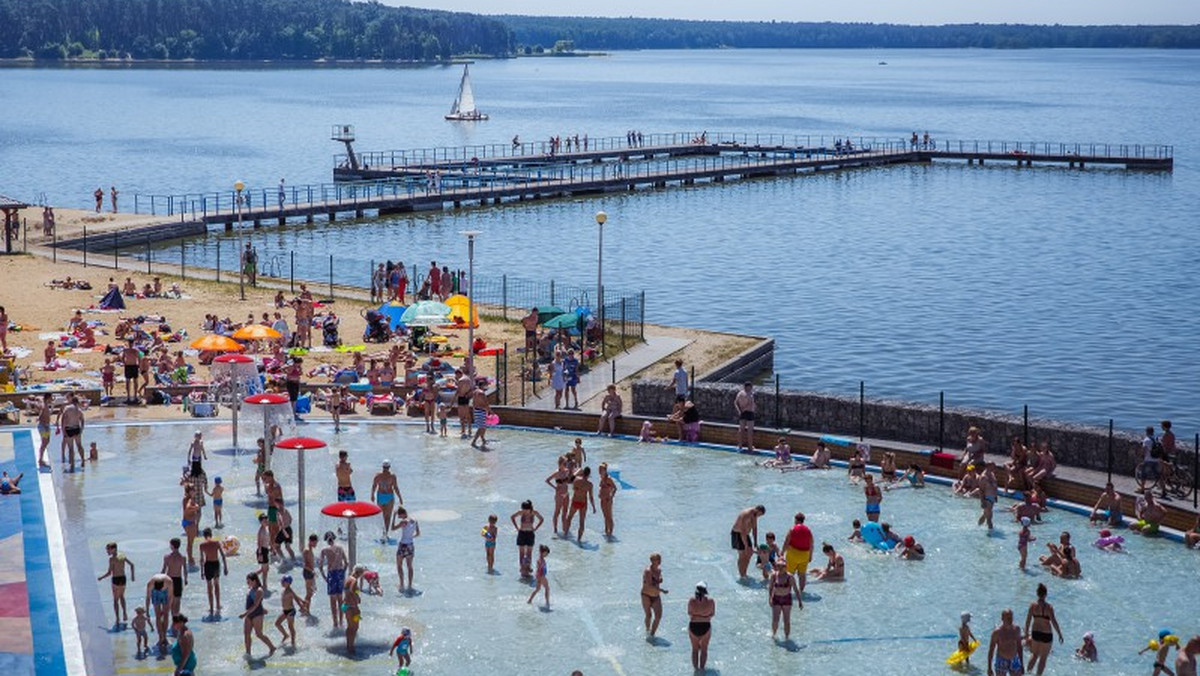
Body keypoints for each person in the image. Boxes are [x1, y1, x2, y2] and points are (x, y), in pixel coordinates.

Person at [1024, 583, 1063, 675]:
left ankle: (1028, 673)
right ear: (1045, 594)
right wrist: (1059, 634)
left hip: (1035, 632)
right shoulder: (1049, 607)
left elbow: (1028, 621)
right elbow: (1054, 622)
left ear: (1037, 593)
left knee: (1034, 654)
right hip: (1046, 634)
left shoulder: (1032, 606)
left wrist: (1026, 632)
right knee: (1043, 657)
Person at [98, 542, 135, 626]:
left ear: (113, 549)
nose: (107, 551)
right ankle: (125, 613)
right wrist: (132, 577)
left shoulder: (112, 559)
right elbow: (132, 565)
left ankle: (117, 618)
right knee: (122, 596)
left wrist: (101, 577)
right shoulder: (122, 556)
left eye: (108, 549)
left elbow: (109, 573)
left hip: (116, 579)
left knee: (115, 600)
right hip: (123, 578)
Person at [240, 572, 276, 657]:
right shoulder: (250, 589)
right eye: (247, 581)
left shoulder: (259, 590)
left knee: (259, 634)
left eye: (249, 581)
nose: (247, 583)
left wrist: (245, 614)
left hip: (257, 615)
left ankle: (272, 647)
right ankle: (248, 653)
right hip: (249, 614)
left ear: (254, 580)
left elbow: (256, 604)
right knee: (246, 634)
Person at [318, 531, 348, 628]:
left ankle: (335, 623)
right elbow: (346, 563)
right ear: (334, 538)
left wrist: (325, 577)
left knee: (332, 601)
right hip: (340, 573)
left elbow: (320, 566)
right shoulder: (340, 548)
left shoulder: (324, 550)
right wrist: (343, 574)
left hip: (331, 574)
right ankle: (341, 622)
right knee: (340, 599)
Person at [768, 559, 801, 641]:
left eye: (782, 566)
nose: (780, 568)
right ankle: (774, 635)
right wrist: (770, 598)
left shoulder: (790, 577)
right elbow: (770, 588)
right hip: (776, 598)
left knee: (786, 620)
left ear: (786, 567)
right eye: (778, 566)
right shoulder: (774, 575)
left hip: (787, 599)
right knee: (775, 620)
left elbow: (796, 590)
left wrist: (800, 601)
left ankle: (787, 638)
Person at [510, 500, 544, 578]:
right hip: (522, 532)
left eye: (525, 509)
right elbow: (512, 517)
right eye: (523, 509)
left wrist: (536, 528)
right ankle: (522, 569)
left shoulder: (534, 512)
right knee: (521, 553)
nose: (524, 511)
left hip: (530, 533)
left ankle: (528, 568)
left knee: (529, 553)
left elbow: (541, 519)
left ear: (529, 508)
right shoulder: (521, 512)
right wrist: (516, 527)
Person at [987, 608, 1025, 676]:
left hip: (1014, 659)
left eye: (1011, 617)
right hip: (1001, 660)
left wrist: (1022, 664)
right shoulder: (997, 632)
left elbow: (1019, 647)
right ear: (1002, 618)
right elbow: (991, 650)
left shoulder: (1016, 629)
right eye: (1008, 618)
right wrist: (989, 668)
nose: (1010, 620)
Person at [198, 528, 227, 617]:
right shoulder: (216, 543)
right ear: (211, 534)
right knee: (217, 585)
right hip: (215, 564)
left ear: (204, 535)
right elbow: (223, 555)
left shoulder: (202, 545)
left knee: (209, 587)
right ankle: (218, 605)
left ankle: (211, 608)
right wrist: (225, 567)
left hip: (208, 565)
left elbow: (202, 559)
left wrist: (202, 572)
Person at [781, 511, 813, 592]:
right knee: (802, 574)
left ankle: (787, 590)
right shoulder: (808, 530)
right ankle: (801, 591)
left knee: (789, 573)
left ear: (796, 520)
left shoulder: (792, 529)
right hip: (805, 554)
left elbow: (786, 541)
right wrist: (810, 556)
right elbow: (811, 544)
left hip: (793, 554)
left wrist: (782, 552)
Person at [687, 582, 715, 672]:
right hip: (705, 626)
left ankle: (696, 670)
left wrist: (697, 616)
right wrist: (705, 616)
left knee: (694, 649)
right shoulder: (711, 601)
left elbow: (690, 613)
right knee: (704, 649)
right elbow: (712, 614)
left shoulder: (692, 601)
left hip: (693, 626)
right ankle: (702, 670)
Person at [732, 505, 766, 578]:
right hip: (738, 534)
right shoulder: (746, 514)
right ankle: (742, 575)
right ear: (757, 510)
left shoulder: (754, 515)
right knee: (742, 554)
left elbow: (754, 529)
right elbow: (742, 531)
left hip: (746, 534)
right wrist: (746, 546)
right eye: (759, 515)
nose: (758, 516)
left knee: (749, 553)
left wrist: (755, 542)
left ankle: (745, 572)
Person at [564, 466, 596, 541]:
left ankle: (566, 534)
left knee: (569, 518)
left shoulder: (576, 480)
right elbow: (591, 497)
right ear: (589, 474)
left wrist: (577, 472)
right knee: (582, 521)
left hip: (575, 501)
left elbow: (571, 482)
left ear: (583, 472)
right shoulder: (590, 485)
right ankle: (579, 539)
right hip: (583, 503)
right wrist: (594, 507)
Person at [392, 507, 420, 592]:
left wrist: (393, 516)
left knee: (399, 565)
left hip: (403, 545)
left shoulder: (404, 522)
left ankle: (402, 584)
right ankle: (410, 585)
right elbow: (418, 533)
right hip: (410, 545)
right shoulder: (414, 520)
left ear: (402, 513)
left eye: (399, 516)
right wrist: (411, 537)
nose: (399, 518)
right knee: (410, 566)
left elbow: (392, 528)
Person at [371, 461, 400, 542]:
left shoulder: (378, 476)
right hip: (387, 496)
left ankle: (384, 534)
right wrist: (400, 498)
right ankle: (385, 533)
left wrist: (372, 495)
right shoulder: (391, 476)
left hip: (382, 496)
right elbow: (395, 487)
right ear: (389, 467)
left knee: (384, 516)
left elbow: (374, 486)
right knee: (386, 516)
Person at [145, 572, 175, 651]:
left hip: (166, 592)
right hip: (155, 593)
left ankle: (164, 636)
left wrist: (168, 608)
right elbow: (148, 598)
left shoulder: (169, 581)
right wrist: (147, 611)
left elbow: (171, 596)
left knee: (166, 615)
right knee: (158, 615)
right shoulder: (150, 584)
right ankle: (160, 637)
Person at [274, 575, 306, 648]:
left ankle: (293, 643)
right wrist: (303, 601)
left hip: (291, 611)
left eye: (284, 581)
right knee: (277, 623)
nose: (282, 582)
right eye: (282, 581)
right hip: (285, 611)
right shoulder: (285, 590)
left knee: (290, 627)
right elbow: (296, 596)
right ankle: (285, 635)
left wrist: (301, 607)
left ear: (288, 583)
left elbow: (296, 599)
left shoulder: (290, 591)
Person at [56, 394, 85, 472]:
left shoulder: (67, 408)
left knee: (71, 448)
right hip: (76, 428)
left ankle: (72, 465)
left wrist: (63, 430)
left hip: (69, 429)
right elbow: (82, 420)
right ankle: (83, 460)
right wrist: (81, 429)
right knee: (79, 445)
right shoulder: (79, 410)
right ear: (77, 402)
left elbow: (63, 420)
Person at [641, 553, 668, 637]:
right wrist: (662, 590)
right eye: (657, 559)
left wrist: (660, 580)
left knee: (658, 616)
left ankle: (652, 634)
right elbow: (649, 585)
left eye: (660, 559)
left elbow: (658, 579)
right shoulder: (648, 571)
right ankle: (647, 630)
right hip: (646, 595)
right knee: (649, 615)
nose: (659, 561)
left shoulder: (659, 570)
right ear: (652, 561)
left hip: (656, 596)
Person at [161, 538, 188, 616]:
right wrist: (186, 579)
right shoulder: (182, 557)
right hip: (178, 579)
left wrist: (160, 580)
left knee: (169, 600)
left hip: (169, 579)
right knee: (177, 600)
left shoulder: (167, 557)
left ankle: (167, 616)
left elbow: (164, 570)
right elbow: (185, 570)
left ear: (172, 546)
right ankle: (175, 617)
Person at [1137, 425, 1162, 493]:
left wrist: (1141, 455)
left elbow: (1144, 450)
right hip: (1156, 460)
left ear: (1147, 432)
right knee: (1158, 475)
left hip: (1148, 460)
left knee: (1144, 474)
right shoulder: (1156, 438)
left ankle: (1142, 489)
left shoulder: (1146, 440)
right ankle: (1164, 491)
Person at [734, 381, 756, 452]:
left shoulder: (740, 393)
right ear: (748, 387)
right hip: (749, 412)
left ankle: (740, 445)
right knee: (750, 431)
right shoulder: (749, 394)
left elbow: (735, 402)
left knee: (741, 429)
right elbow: (750, 403)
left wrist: (739, 411)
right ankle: (750, 447)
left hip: (742, 413)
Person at [598, 462, 618, 538]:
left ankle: (611, 533)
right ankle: (606, 531)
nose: (599, 471)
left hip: (607, 499)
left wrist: (611, 496)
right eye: (599, 469)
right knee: (605, 516)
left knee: (609, 516)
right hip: (602, 499)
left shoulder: (608, 479)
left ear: (605, 470)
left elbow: (615, 488)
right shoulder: (602, 479)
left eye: (601, 469)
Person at [979, 462, 999, 530]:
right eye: (993, 466)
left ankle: (978, 526)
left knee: (985, 515)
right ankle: (990, 534)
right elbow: (981, 490)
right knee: (989, 518)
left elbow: (994, 486)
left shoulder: (992, 474)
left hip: (992, 498)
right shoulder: (983, 477)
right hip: (987, 498)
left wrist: (996, 496)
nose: (994, 468)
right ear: (988, 466)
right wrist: (982, 501)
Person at [36, 393, 52, 467]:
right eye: (51, 398)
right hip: (43, 426)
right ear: (48, 398)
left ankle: (41, 459)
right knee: (44, 442)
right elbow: (41, 413)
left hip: (46, 426)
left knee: (47, 441)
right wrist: (39, 418)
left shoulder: (45, 404)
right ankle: (40, 460)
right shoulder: (44, 405)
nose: (52, 399)